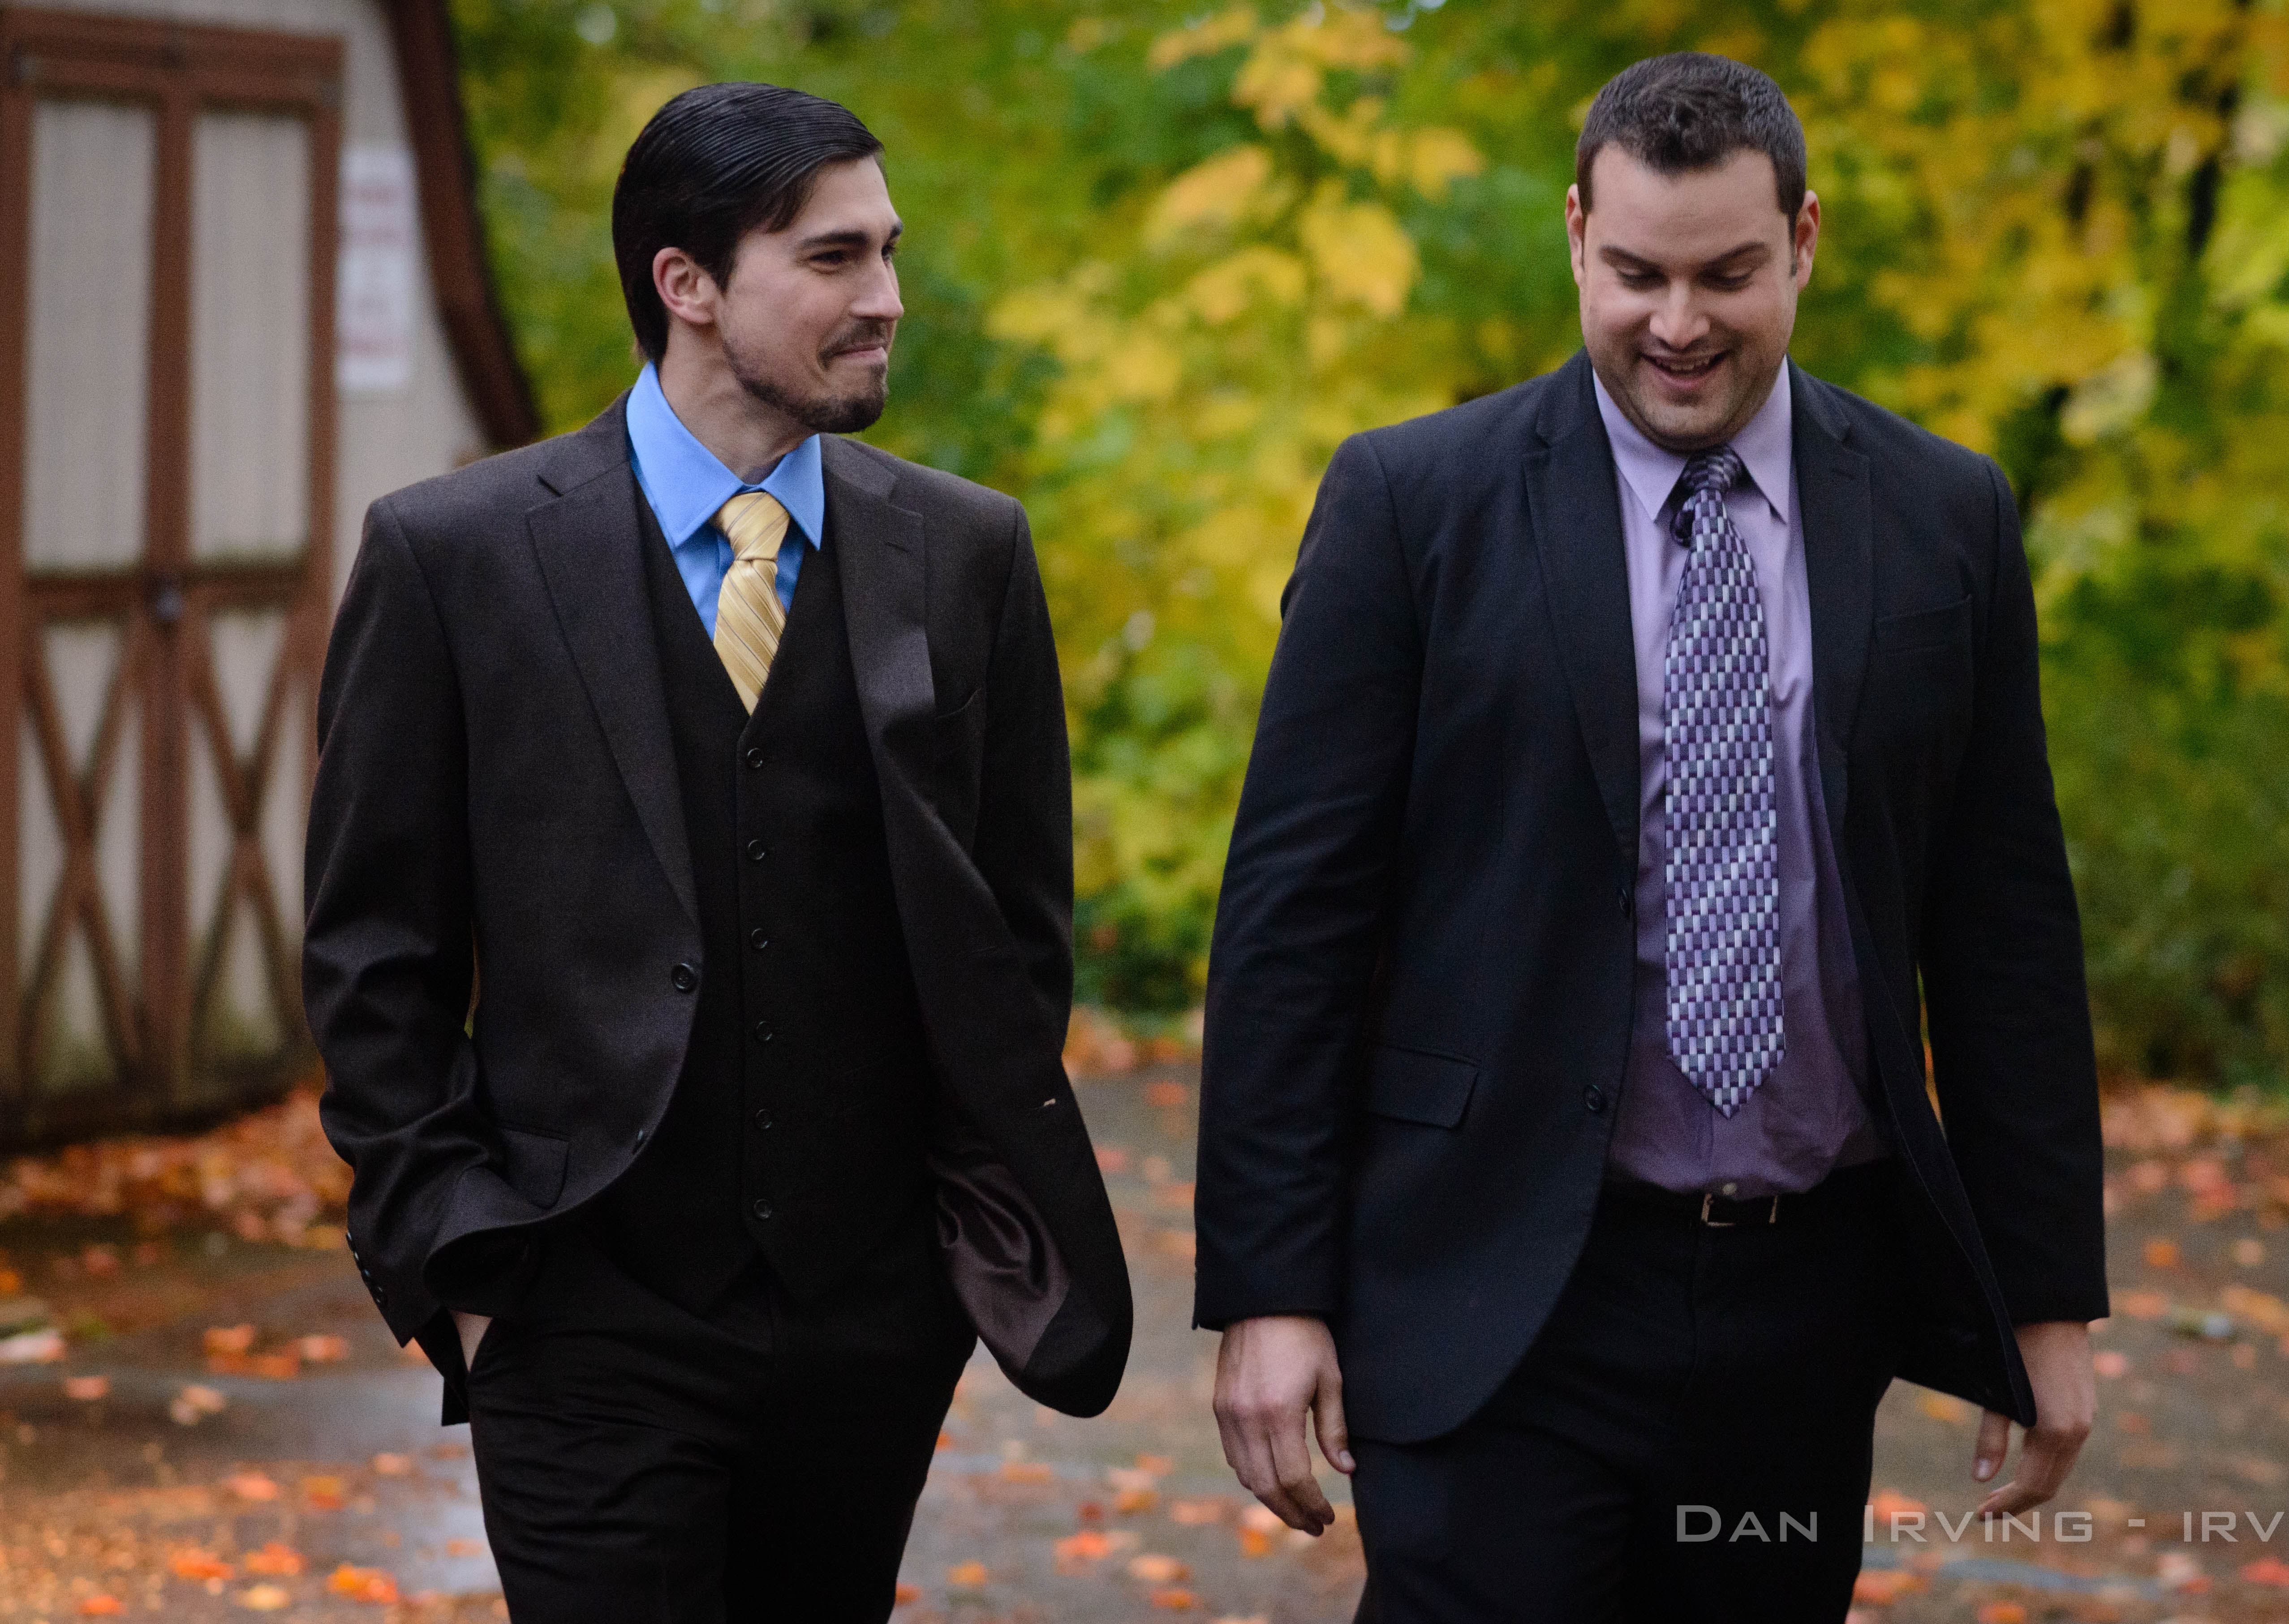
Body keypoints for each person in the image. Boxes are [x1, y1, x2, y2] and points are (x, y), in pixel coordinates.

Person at [1195, 52, 2108, 1622]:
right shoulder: (1415, 505)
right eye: (1635, 274)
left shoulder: (1945, 517)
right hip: (1494, 1283)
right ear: (1573, 237)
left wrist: (2044, 1297)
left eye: (1728, 275)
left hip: (1803, 1300)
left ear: (1806, 240)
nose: (1677, 323)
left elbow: (2005, 927)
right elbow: (1295, 920)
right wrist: (1270, 1291)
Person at [304, 82, 1130, 1622]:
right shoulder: (455, 554)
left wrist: (939, 1269)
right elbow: (373, 953)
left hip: (870, 1325)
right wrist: (460, 1261)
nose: (885, 298)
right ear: (686, 284)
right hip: (574, 1303)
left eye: (887, 252)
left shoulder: (966, 554)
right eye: (831, 259)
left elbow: (1015, 935)